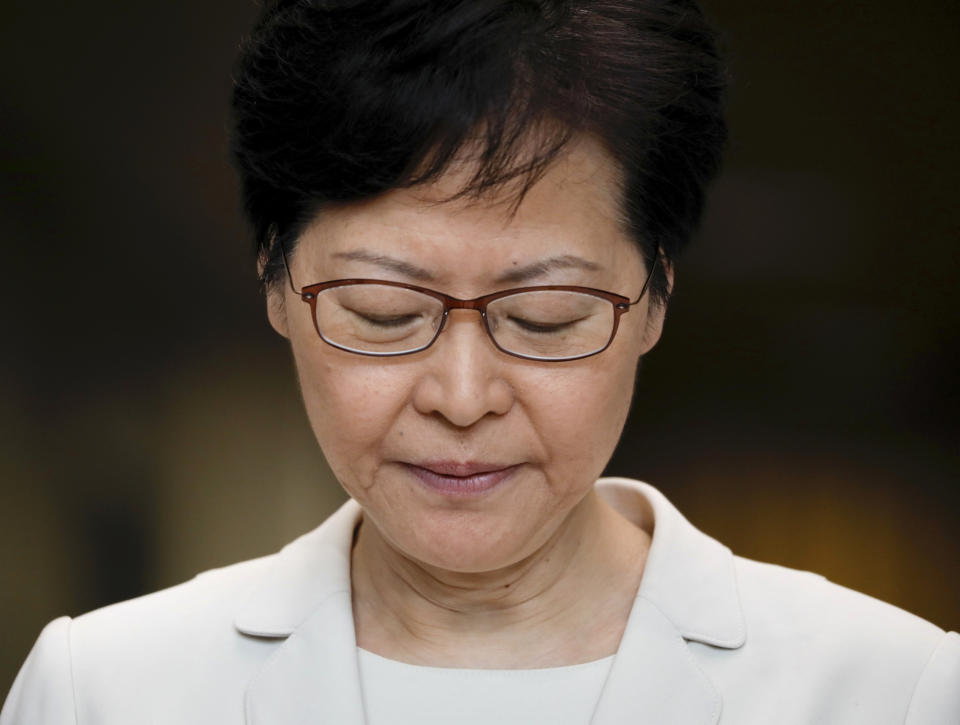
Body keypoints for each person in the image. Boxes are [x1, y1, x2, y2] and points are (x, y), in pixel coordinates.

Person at [2, 0, 957, 722]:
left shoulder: (887, 689)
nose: (463, 398)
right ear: (277, 284)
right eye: (382, 312)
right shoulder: (106, 691)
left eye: (544, 318)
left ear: (656, 296)